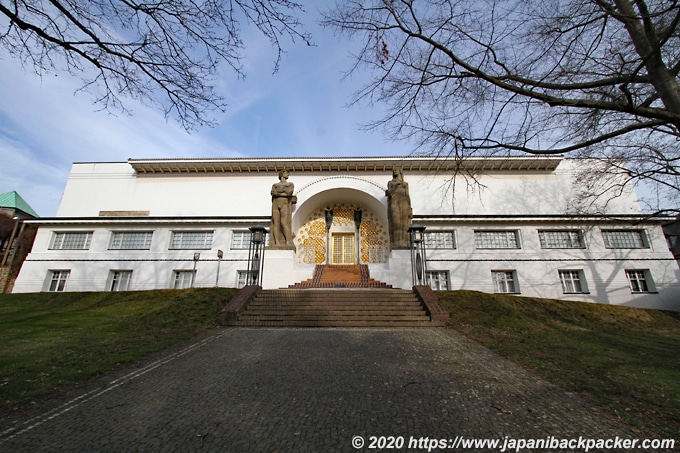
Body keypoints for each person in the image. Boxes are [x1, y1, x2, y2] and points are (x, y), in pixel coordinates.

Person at [386, 168, 412, 249]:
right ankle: (396, 243)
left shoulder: (405, 184)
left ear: (400, 171)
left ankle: (405, 243)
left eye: (396, 169)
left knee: (404, 223)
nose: (394, 171)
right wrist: (395, 187)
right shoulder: (391, 183)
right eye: (393, 170)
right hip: (394, 202)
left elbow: (408, 196)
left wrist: (410, 208)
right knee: (396, 222)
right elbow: (389, 193)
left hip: (404, 203)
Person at [271, 169, 295, 246]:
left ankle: (288, 241)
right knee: (276, 223)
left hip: (284, 203)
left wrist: (278, 193)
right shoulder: (275, 185)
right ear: (282, 174)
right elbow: (273, 193)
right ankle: (276, 242)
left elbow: (288, 193)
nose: (288, 175)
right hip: (275, 203)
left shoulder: (290, 184)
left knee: (284, 223)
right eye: (286, 173)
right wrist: (283, 192)